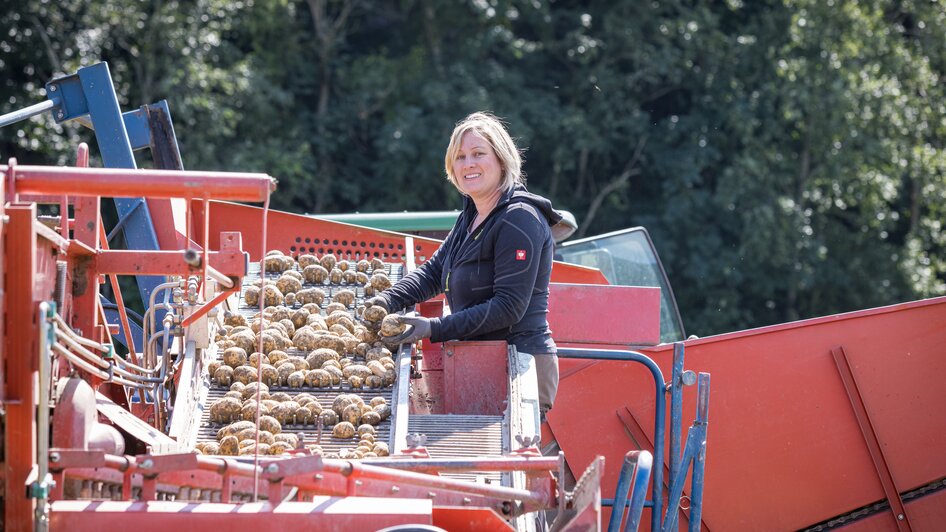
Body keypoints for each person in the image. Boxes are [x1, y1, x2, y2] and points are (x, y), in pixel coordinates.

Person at [367, 111, 561, 417]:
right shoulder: (470, 216)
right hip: (481, 363)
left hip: (519, 367)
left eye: (478, 154)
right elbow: (433, 273)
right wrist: (387, 299)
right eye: (459, 157)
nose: (468, 163)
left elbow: (509, 307)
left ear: (501, 159)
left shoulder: (519, 219)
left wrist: (432, 328)